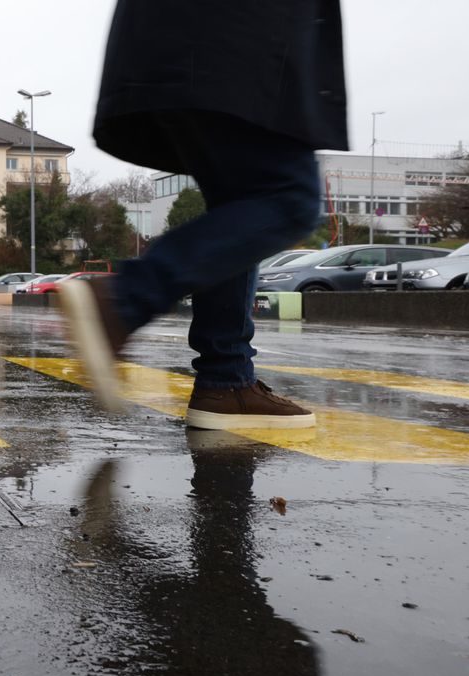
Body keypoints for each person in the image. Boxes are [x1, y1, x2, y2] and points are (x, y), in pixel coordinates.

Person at [60, 0, 348, 429]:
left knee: (240, 203)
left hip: (185, 44)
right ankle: (125, 300)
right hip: (238, 45)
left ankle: (226, 380)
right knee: (289, 199)